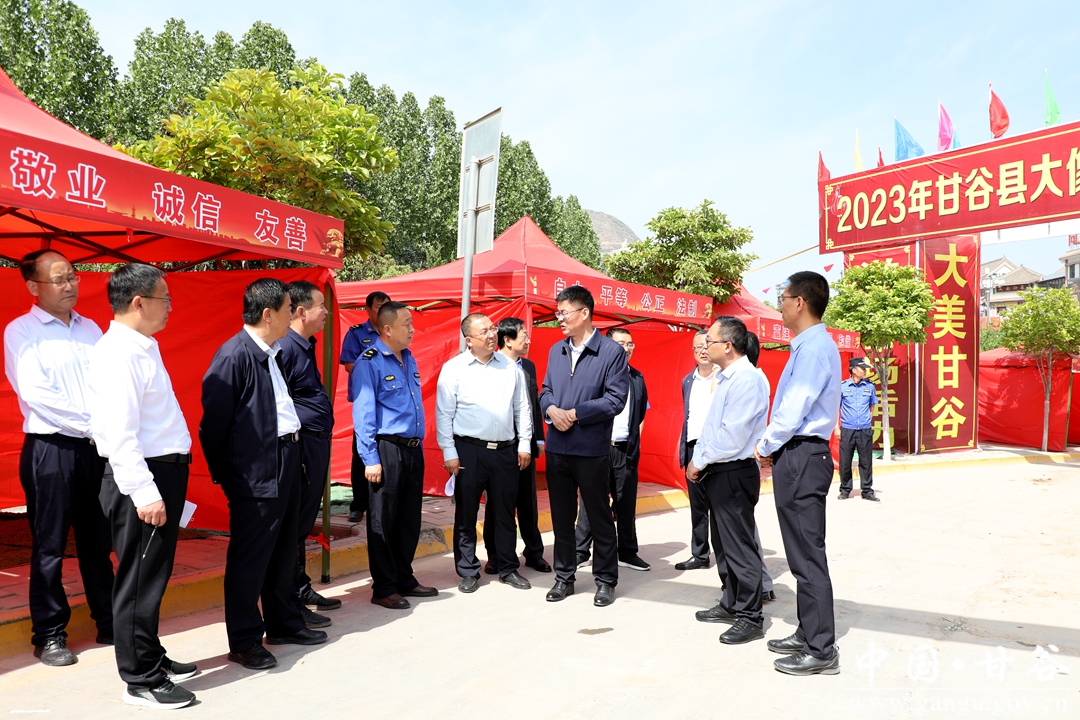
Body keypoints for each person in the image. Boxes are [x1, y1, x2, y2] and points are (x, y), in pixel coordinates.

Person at [201, 278, 327, 672]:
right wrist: (230, 475)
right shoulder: (234, 356)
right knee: (251, 558)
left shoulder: (271, 353)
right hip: (255, 471)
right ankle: (244, 640)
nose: (293, 317)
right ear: (269, 314)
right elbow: (213, 427)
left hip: (286, 459)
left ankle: (284, 623)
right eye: (289, 310)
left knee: (284, 549)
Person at [88, 263, 197, 709]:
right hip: (141, 477)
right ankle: (140, 679)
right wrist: (145, 491)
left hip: (160, 471)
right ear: (139, 302)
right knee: (138, 580)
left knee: (152, 575)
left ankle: (151, 655)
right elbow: (119, 434)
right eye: (164, 299)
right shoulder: (118, 354)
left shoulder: (141, 347)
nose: (170, 307)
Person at [4, 250, 114, 667]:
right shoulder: (22, 331)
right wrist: (92, 424)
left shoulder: (91, 329)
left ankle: (109, 621)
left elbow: (108, 383)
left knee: (98, 542)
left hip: (95, 448)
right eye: (59, 279)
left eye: (72, 276)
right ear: (33, 286)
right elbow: (37, 394)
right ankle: (49, 635)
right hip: (51, 449)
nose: (69, 285)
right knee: (49, 546)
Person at [754, 271, 842, 676]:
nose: (781, 307)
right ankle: (809, 632)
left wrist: (765, 445)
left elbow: (795, 407)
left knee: (807, 555)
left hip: (803, 454)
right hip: (799, 454)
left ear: (800, 303)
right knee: (800, 552)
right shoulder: (809, 346)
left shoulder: (813, 349)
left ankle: (821, 650)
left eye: (783, 299)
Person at [539, 286, 629, 607]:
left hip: (591, 449)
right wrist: (551, 410)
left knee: (598, 516)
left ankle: (605, 580)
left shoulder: (611, 352)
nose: (559, 318)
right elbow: (545, 390)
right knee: (561, 518)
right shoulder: (556, 350)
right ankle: (564, 577)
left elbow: (615, 400)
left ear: (584, 313)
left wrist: (576, 414)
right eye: (558, 312)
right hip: (557, 449)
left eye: (564, 312)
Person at [685, 317, 770, 646]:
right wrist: (700, 459)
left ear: (728, 346)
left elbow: (732, 437)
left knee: (739, 547)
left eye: (710, 340)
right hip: (719, 471)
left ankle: (750, 616)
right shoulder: (727, 377)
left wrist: (699, 461)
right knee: (722, 543)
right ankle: (731, 602)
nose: (705, 346)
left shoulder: (746, 379)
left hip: (734, 470)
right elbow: (712, 428)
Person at [436, 313, 533, 593]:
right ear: (469, 340)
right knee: (466, 513)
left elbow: (522, 407)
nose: (492, 335)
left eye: (493, 329)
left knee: (504, 512)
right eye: (485, 332)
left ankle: (507, 567)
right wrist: (449, 451)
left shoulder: (509, 366)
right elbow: (444, 414)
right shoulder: (454, 369)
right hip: (469, 451)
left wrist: (524, 443)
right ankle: (468, 570)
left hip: (505, 451)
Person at [351, 301, 437, 609]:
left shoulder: (408, 358)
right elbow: (363, 415)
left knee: (408, 518)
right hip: (386, 449)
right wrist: (370, 458)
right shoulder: (369, 362)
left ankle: (404, 577)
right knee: (383, 520)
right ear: (387, 329)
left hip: (412, 449)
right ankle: (384, 586)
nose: (412, 329)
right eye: (406, 324)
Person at [277, 280, 342, 629]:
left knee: (302, 524)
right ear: (301, 311)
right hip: (301, 446)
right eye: (321, 305)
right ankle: (290, 599)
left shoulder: (304, 346)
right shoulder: (287, 347)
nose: (326, 312)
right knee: (295, 526)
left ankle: (300, 588)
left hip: (315, 444)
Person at [575, 327, 650, 571]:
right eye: (620, 344)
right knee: (590, 502)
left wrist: (633, 444)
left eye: (630, 344)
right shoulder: (595, 374)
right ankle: (580, 551)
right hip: (597, 448)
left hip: (624, 450)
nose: (626, 348)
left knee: (625, 502)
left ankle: (627, 552)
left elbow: (640, 415)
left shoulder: (637, 378)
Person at [482, 317, 551, 575]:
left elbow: (533, 404)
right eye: (524, 335)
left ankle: (534, 553)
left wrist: (538, 439)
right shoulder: (491, 365)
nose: (528, 340)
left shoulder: (528, 366)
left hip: (526, 445)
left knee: (527, 500)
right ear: (508, 340)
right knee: (497, 503)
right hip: (499, 445)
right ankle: (495, 555)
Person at [674, 330, 722, 572]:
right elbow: (688, 416)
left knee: (720, 506)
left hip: (718, 447)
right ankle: (700, 554)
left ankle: (725, 555)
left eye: (706, 345)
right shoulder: (688, 381)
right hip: (694, 446)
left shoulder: (723, 378)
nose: (702, 351)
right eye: (697, 347)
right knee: (697, 505)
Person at [341, 291, 390, 523]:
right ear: (368, 310)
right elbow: (350, 365)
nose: (384, 310)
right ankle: (359, 504)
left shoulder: (392, 331)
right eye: (379, 306)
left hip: (390, 404)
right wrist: (378, 371)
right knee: (362, 453)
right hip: (367, 399)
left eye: (387, 306)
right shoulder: (357, 333)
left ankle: (381, 503)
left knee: (387, 454)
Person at [838, 357, 879, 502]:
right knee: (845, 461)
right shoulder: (842, 386)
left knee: (866, 461)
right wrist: (837, 429)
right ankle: (845, 490)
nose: (865, 371)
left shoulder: (870, 386)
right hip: (847, 429)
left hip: (864, 429)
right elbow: (836, 408)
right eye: (862, 368)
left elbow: (872, 406)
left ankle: (867, 490)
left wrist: (868, 420)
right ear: (854, 370)